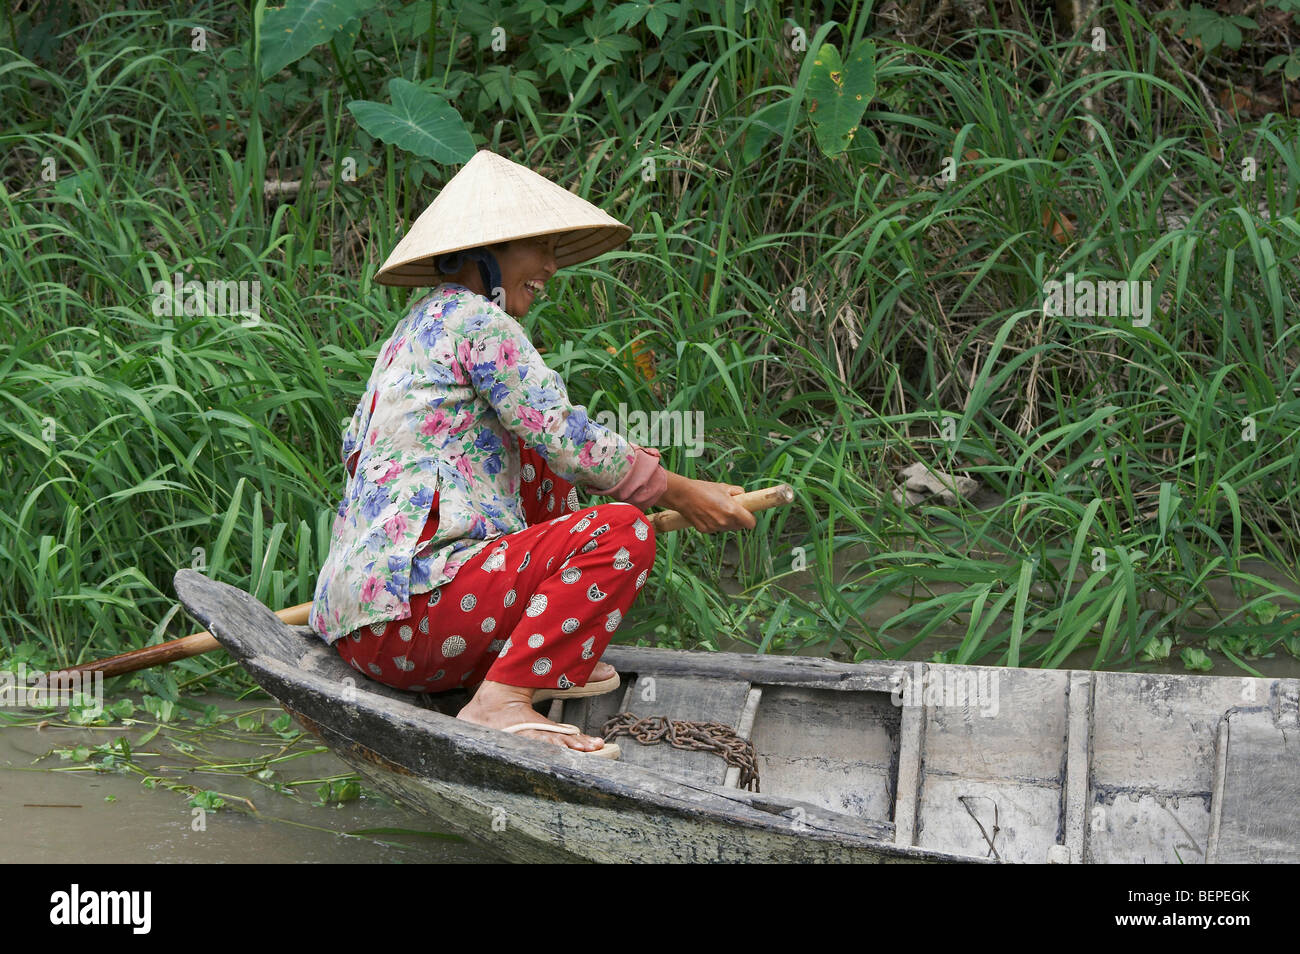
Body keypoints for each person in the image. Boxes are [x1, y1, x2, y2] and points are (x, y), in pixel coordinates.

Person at [309, 150, 755, 756]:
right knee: (621, 531)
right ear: (483, 252)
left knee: (538, 464)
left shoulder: (415, 329)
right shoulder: (477, 323)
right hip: (410, 622)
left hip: (363, 625)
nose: (550, 265)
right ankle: (501, 701)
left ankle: (546, 655)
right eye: (538, 246)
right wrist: (678, 490)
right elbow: (570, 439)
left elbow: (549, 447)